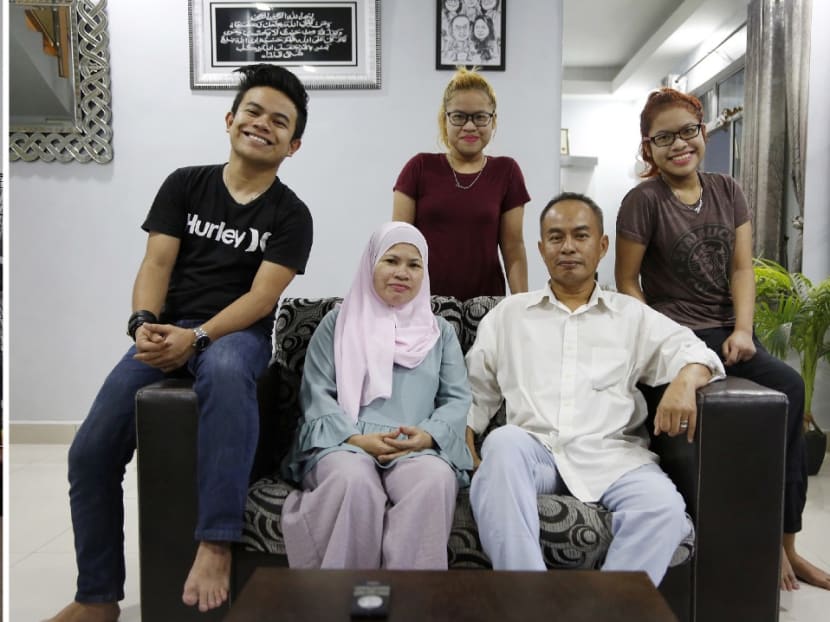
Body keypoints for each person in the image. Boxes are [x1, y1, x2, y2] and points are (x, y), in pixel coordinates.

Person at [47, 64, 313, 622]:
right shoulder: (185, 183)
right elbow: (157, 261)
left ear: (294, 144)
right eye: (254, 111)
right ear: (230, 118)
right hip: (167, 329)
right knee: (89, 451)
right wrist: (143, 321)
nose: (263, 125)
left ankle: (215, 544)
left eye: (279, 121)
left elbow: (263, 297)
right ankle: (97, 597)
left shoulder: (291, 215)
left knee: (222, 370)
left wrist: (196, 337)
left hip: (236, 334)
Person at [615, 87, 830, 592]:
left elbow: (741, 269)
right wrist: (667, 343)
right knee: (716, 423)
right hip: (675, 336)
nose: (678, 145)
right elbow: (627, 283)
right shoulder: (642, 200)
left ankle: (785, 546)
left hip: (727, 333)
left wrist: (741, 329)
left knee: (789, 390)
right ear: (648, 148)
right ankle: (731, 545)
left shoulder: (729, 190)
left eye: (686, 132)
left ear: (703, 133)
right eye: (663, 138)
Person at [465, 193, 725, 586]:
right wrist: (463, 439)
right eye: (555, 237)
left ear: (602, 246)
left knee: (665, 511)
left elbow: (695, 351)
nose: (567, 246)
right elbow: (475, 391)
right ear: (541, 249)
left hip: (613, 456)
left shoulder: (631, 315)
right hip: (536, 453)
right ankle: (528, 604)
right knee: (501, 445)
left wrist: (685, 380)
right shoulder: (508, 315)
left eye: (580, 235)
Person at [281, 222, 472, 569]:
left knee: (434, 480)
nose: (402, 273)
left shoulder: (439, 332)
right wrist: (357, 437)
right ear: (371, 264)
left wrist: (427, 435)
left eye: (414, 265)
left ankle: (411, 604)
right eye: (391, 261)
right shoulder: (337, 323)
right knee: (353, 482)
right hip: (344, 440)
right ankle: (340, 600)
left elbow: (457, 398)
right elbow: (316, 393)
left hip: (414, 443)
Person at [393, 67, 530, 300]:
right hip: (424, 304)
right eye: (459, 116)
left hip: (485, 306)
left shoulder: (507, 171)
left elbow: (513, 248)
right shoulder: (419, 167)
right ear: (444, 119)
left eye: (480, 117)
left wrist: (521, 306)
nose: (469, 126)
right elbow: (398, 242)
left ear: (493, 120)